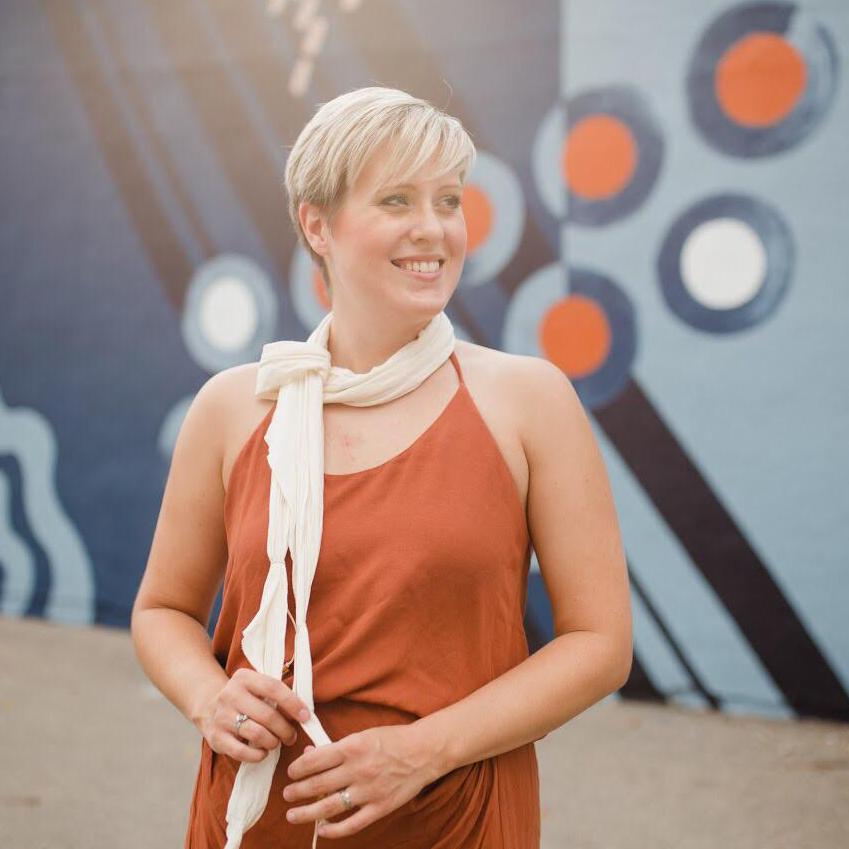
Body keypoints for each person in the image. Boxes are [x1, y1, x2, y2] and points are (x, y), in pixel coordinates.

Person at [131, 86, 633, 849]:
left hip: (454, 823)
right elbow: (163, 610)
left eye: (448, 200)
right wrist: (209, 696)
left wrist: (421, 750)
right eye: (397, 200)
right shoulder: (234, 406)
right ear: (316, 224)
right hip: (256, 825)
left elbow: (599, 643)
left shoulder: (528, 401)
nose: (432, 227)